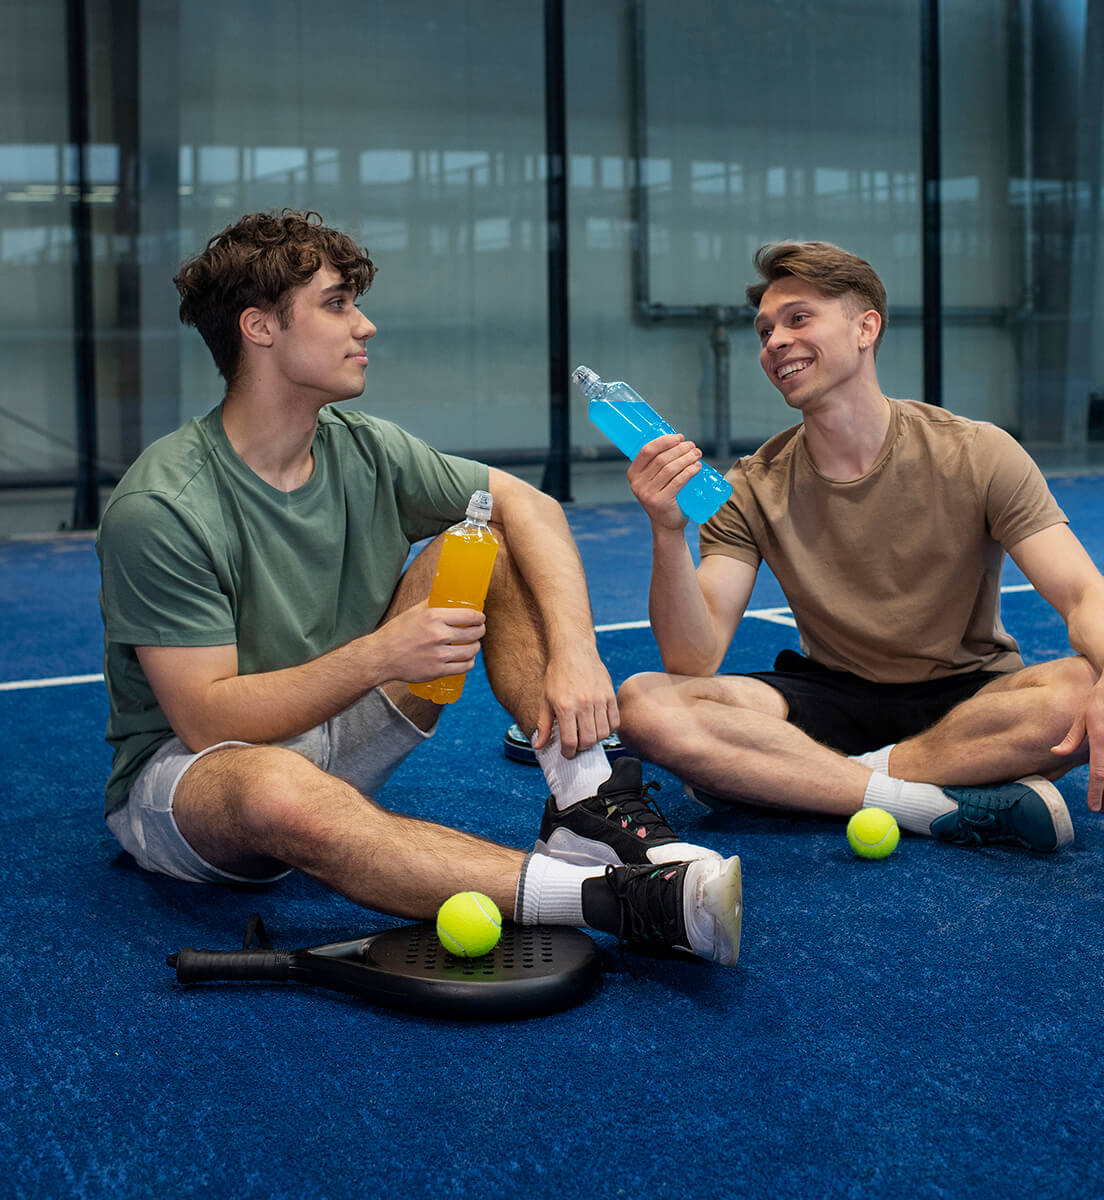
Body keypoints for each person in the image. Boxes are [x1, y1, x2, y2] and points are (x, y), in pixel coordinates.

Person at [96, 210, 741, 966]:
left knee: (484, 544)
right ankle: (621, 901)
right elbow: (209, 722)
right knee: (274, 788)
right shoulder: (164, 506)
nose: (364, 326)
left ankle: (583, 797)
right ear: (259, 327)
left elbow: (529, 504)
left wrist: (575, 653)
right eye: (337, 304)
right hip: (201, 779)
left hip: (336, 723)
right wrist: (380, 656)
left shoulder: (365, 446)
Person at [614, 240, 1104, 852]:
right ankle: (928, 799)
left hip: (971, 696)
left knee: (1086, 690)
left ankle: (802, 778)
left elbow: (1083, 594)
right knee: (643, 704)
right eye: (765, 330)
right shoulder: (749, 486)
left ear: (866, 327)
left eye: (798, 319)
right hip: (831, 694)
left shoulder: (978, 453)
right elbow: (693, 659)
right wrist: (667, 531)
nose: (774, 342)